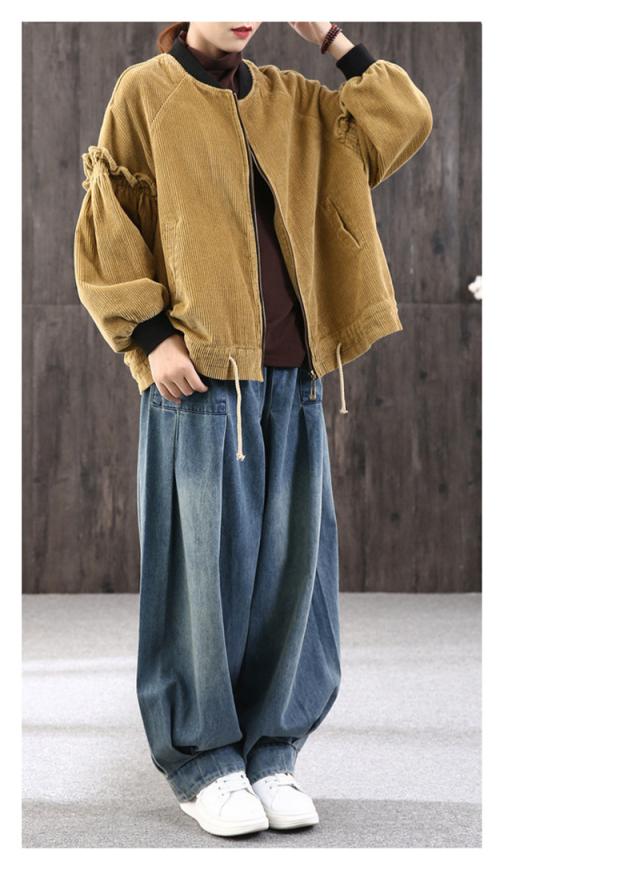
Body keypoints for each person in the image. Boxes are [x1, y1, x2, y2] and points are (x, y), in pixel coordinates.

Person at [74, 20, 433, 838]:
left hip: (294, 380)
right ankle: (204, 764)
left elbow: (403, 120)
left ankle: (272, 754)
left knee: (291, 578)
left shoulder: (295, 100)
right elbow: (109, 217)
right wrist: (150, 336)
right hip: (202, 378)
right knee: (200, 580)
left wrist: (331, 37)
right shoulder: (146, 91)